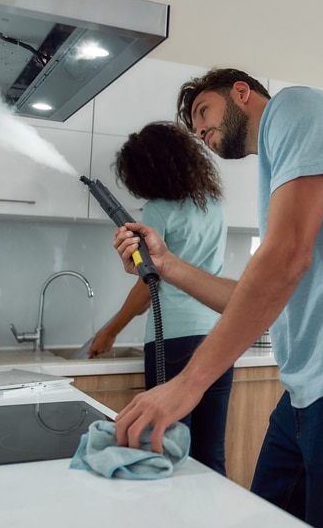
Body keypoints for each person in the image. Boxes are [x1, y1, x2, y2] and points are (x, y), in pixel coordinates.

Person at [111, 68, 323, 528]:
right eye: (195, 129)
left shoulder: (296, 108)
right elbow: (253, 297)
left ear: (241, 93)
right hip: (311, 387)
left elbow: (285, 258)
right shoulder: (283, 165)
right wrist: (166, 264)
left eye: (204, 112)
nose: (200, 132)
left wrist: (188, 383)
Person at [92, 120, 232, 476]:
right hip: (219, 334)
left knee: (166, 448)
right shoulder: (214, 204)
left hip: (172, 339)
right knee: (210, 452)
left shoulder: (158, 210)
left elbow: (147, 285)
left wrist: (110, 331)